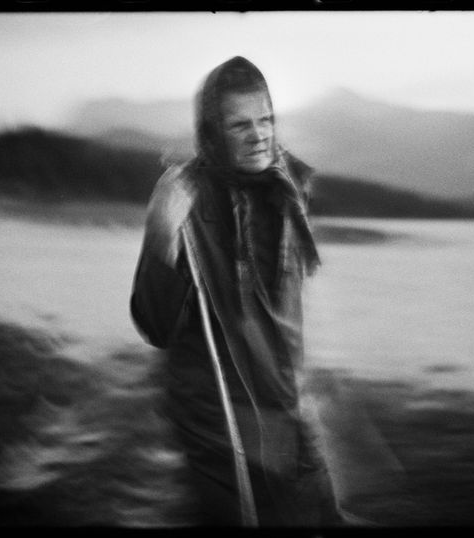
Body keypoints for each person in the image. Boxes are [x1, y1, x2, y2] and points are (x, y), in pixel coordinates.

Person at [130, 56, 342, 527]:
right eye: (239, 125)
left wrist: (299, 384)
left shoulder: (287, 187)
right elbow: (155, 325)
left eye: (266, 120)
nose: (259, 135)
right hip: (216, 413)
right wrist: (162, 231)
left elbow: (283, 310)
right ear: (213, 132)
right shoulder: (189, 200)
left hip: (281, 399)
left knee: (319, 516)